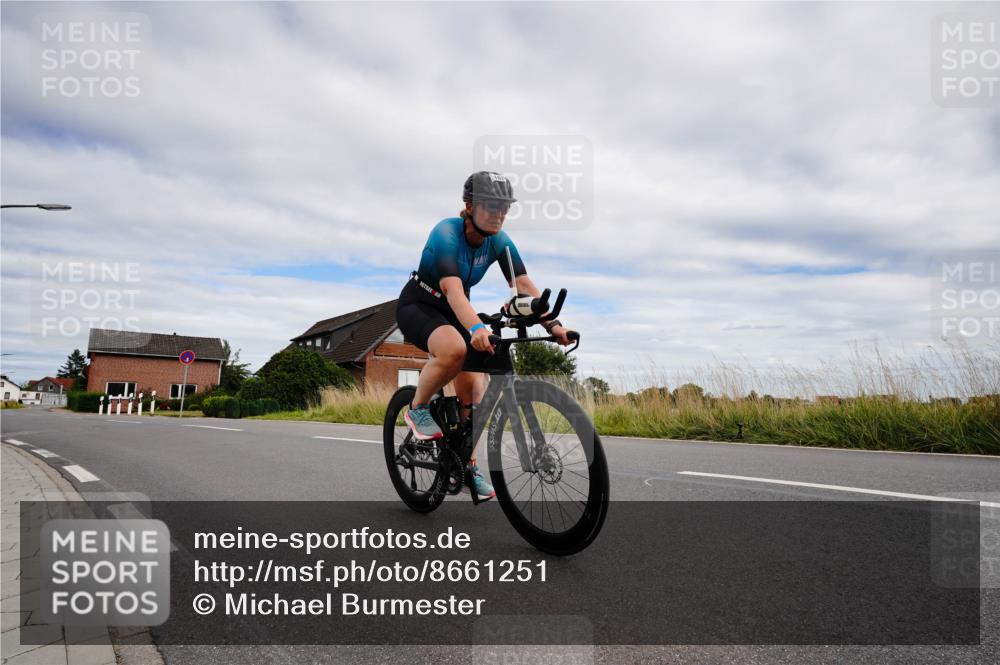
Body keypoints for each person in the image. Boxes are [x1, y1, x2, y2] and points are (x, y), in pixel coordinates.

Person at [395, 171, 575, 501]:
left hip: (456, 309)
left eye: (504, 208)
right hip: (419, 305)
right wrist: (476, 328)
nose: (499, 214)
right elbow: (451, 289)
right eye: (491, 206)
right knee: (453, 350)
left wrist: (554, 326)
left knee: (475, 391)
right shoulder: (445, 233)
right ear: (469, 206)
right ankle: (417, 407)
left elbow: (524, 285)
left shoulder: (499, 241)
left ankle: (467, 464)